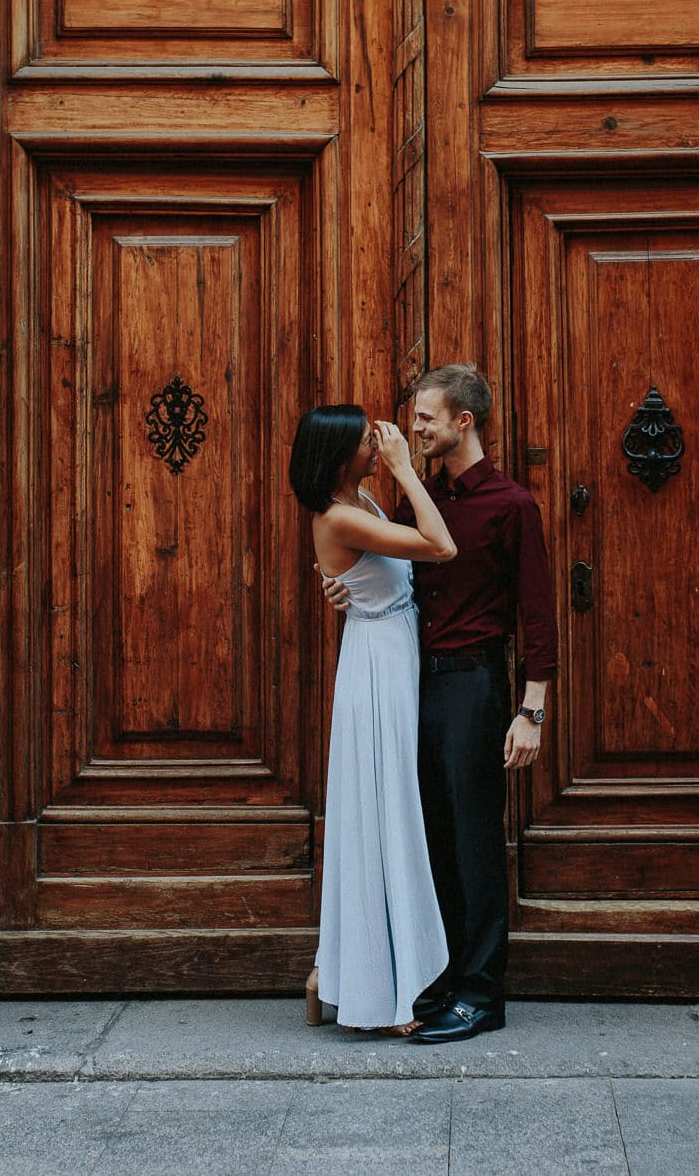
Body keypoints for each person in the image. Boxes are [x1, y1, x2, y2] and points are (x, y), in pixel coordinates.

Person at [320, 364, 558, 1045]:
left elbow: (537, 616)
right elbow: (389, 577)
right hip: (409, 684)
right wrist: (344, 590)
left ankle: (483, 995)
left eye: (425, 417)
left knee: (475, 840)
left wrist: (531, 709)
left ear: (464, 422)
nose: (412, 427)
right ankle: (441, 979)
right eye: (414, 416)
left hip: (472, 686)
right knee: (430, 842)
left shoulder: (512, 504)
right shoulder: (418, 502)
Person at [288, 405, 456, 1034]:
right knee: (384, 812)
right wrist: (407, 471)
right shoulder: (340, 516)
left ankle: (335, 968)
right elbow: (439, 546)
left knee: (394, 808)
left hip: (389, 651)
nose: (381, 440)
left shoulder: (357, 500)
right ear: (340, 457)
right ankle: (375, 988)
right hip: (378, 668)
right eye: (368, 439)